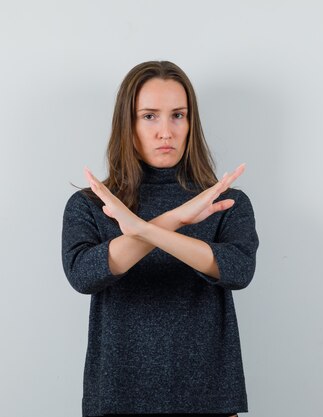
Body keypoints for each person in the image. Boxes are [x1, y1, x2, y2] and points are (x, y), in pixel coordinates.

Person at [61, 60, 259, 417]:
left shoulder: (224, 203)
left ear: (190, 122)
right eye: (149, 116)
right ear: (128, 123)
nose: (165, 131)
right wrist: (176, 219)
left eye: (178, 115)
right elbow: (84, 275)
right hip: (118, 396)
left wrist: (144, 229)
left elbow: (237, 270)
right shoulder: (92, 205)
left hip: (208, 398)